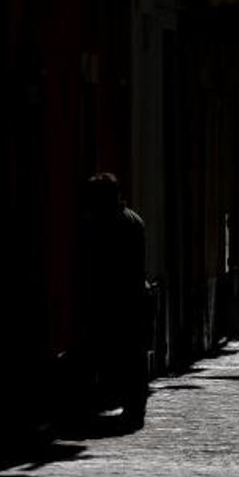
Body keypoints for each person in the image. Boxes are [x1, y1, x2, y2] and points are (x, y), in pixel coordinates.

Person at [80, 172, 150, 429]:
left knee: (111, 353)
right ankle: (135, 409)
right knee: (134, 356)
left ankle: (107, 406)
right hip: (133, 298)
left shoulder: (103, 223)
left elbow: (96, 265)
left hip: (113, 299)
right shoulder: (134, 220)